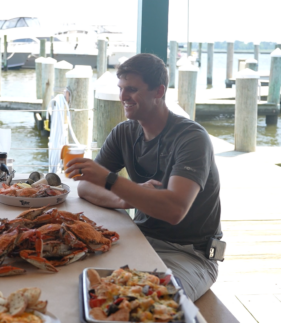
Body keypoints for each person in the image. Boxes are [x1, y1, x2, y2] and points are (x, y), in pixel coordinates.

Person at [66, 53, 222, 302]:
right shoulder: (124, 133)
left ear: (159, 91)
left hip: (189, 253)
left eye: (132, 89)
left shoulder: (192, 138)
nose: (123, 97)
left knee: (151, 303)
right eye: (121, 89)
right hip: (139, 236)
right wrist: (126, 199)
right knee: (77, 281)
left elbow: (174, 210)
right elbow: (85, 187)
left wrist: (111, 181)